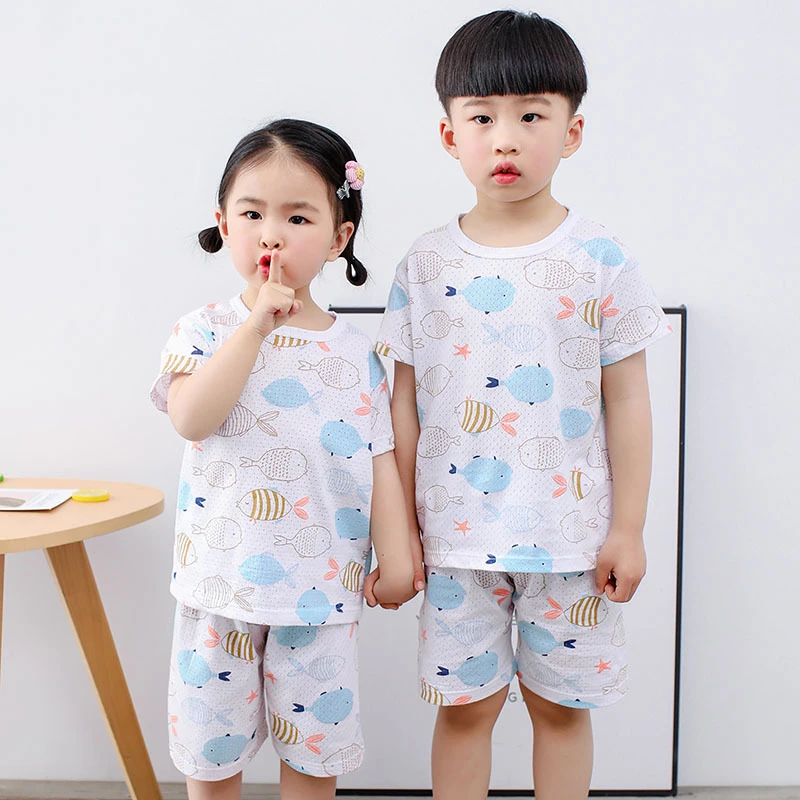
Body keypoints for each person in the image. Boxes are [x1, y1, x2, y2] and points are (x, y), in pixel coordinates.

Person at [371, 11, 671, 800]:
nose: (505, 139)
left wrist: (628, 528)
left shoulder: (601, 258)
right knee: (464, 711)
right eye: (482, 118)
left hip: (572, 540)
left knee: (562, 711)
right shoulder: (425, 263)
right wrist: (401, 531)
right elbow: (400, 409)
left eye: (531, 116)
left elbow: (629, 401)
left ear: (572, 132)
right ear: (449, 135)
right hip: (455, 542)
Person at [150, 119, 415, 800]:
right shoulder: (203, 330)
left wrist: (398, 555)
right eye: (252, 214)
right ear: (223, 224)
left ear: (338, 238)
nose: (271, 234)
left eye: (297, 217)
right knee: (212, 762)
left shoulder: (356, 353)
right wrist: (254, 328)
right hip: (218, 593)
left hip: (320, 595)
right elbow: (192, 418)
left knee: (314, 762)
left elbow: (378, 460)